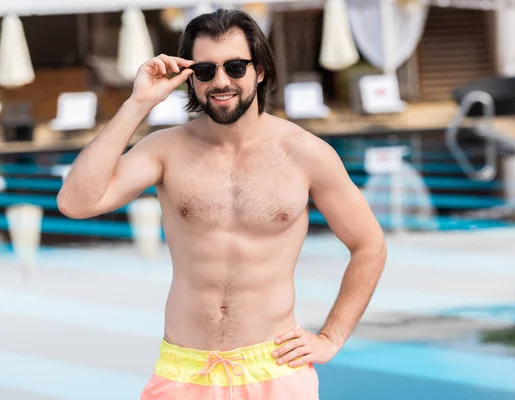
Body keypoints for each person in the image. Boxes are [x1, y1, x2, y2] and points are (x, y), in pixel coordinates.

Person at [57, 8, 387, 400]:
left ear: (259, 70)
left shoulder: (306, 153)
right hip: (184, 372)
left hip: (276, 371)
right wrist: (137, 104)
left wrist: (331, 337)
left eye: (234, 66)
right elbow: (76, 203)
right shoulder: (166, 150)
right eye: (206, 71)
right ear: (191, 77)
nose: (221, 81)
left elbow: (369, 246)